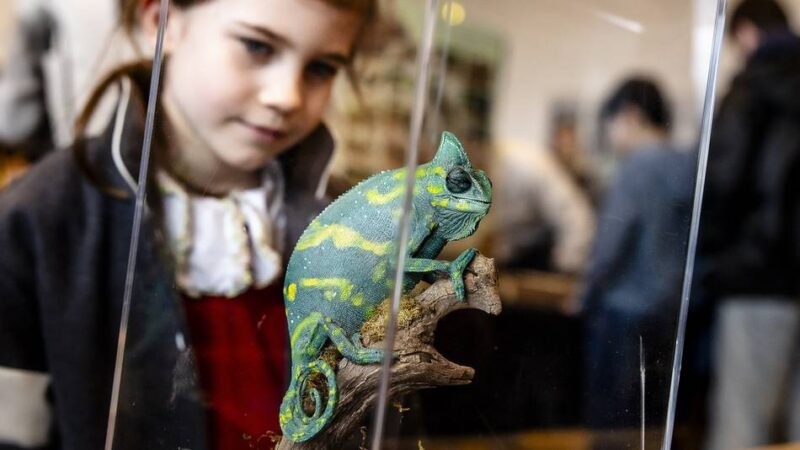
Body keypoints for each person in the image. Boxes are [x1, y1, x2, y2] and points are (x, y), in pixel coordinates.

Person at [0, 0, 376, 449]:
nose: (286, 96)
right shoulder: (37, 220)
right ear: (162, 20)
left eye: (321, 68)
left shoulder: (353, 221)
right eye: (256, 46)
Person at [698, 1, 800, 448]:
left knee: (742, 426)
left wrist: (713, 260)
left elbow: (723, 185)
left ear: (746, 33)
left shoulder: (753, 89)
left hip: (759, 277)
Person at [580, 77, 695, 433]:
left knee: (612, 421)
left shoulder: (637, 167)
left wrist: (585, 292)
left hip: (625, 310)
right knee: (652, 424)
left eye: (610, 127)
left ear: (630, 116)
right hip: (672, 311)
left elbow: (612, 243)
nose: (612, 139)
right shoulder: (690, 166)